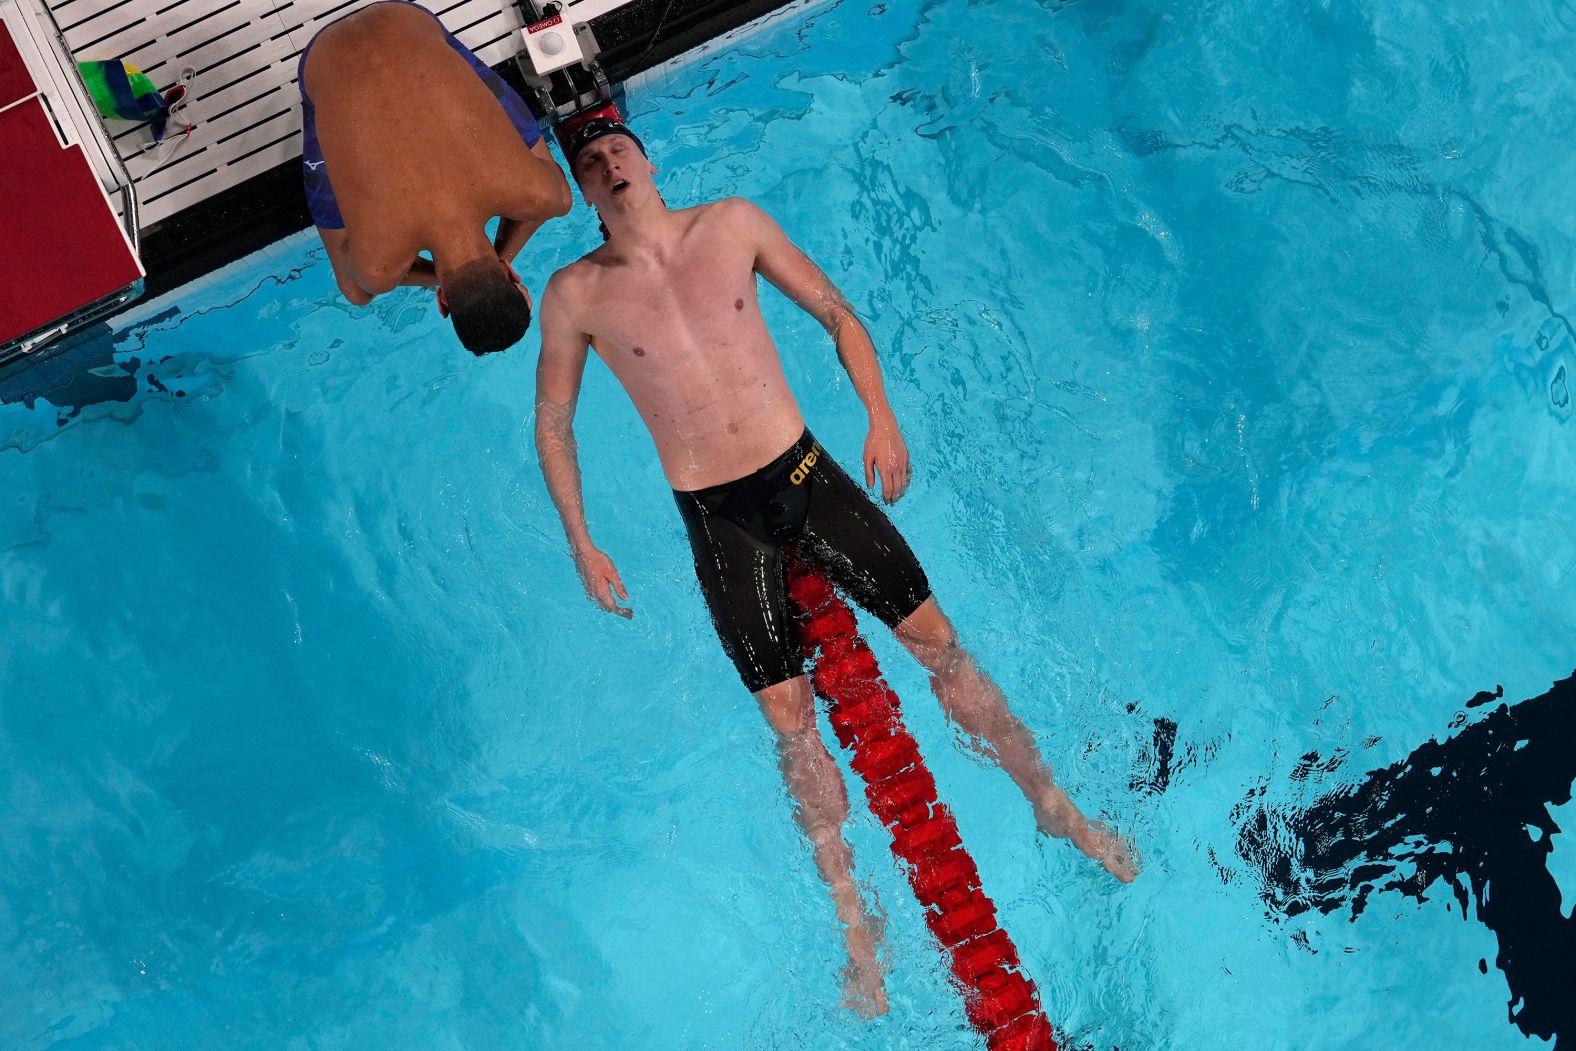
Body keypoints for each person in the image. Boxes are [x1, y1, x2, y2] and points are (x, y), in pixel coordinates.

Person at [533, 115, 1138, 1018]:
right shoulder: (575, 292)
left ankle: (1054, 805)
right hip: (717, 514)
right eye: (590, 161)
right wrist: (582, 540)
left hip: (805, 473)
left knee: (941, 648)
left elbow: (834, 311)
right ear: (584, 193)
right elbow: (553, 420)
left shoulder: (732, 223)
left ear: (649, 160)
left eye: (618, 148)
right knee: (790, 721)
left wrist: (880, 414)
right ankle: (860, 928)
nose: (609, 163)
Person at [297, 1, 571, 354]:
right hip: (319, 56)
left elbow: (560, 201)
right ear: (443, 303)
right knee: (358, 291)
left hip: (408, 18)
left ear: (511, 275)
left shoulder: (535, 193)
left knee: (558, 201)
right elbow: (355, 287)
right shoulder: (377, 267)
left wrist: (502, 259)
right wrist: (444, 278)